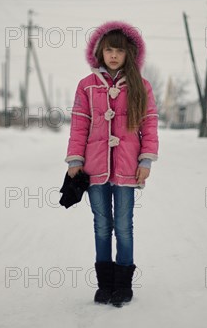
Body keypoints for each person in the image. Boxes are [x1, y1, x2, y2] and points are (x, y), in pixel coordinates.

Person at [64, 21, 159, 307]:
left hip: (128, 167)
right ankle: (105, 285)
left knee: (124, 226)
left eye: (119, 50)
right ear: (100, 53)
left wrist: (146, 160)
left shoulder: (141, 86)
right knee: (102, 225)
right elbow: (79, 125)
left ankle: (123, 286)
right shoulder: (87, 86)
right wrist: (75, 160)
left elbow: (150, 124)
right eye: (109, 50)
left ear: (129, 53)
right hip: (94, 168)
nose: (114, 55)